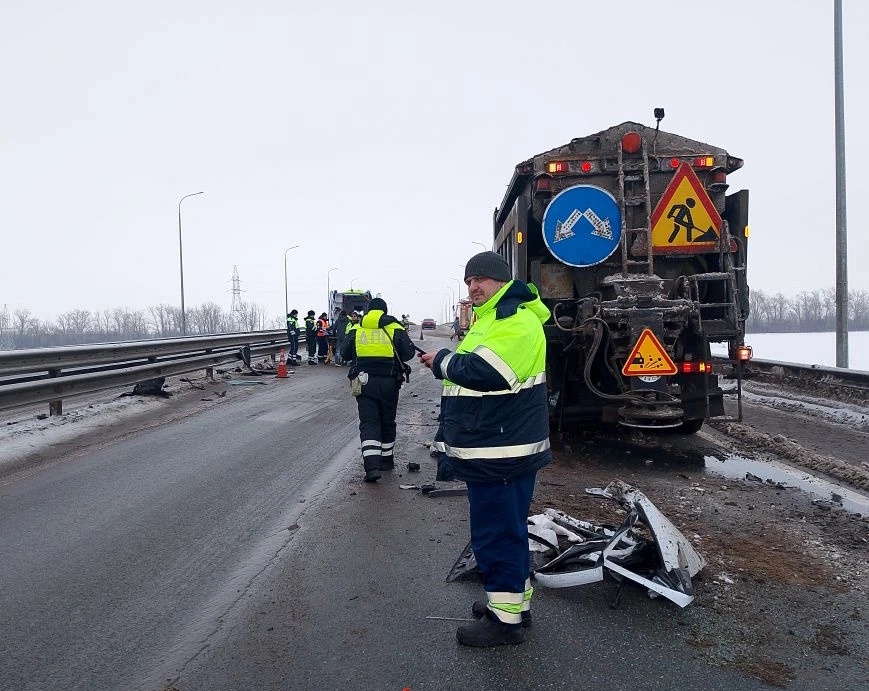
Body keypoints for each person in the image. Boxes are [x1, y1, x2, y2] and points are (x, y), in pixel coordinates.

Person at [419, 251, 551, 648]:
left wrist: (441, 361)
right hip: (501, 445)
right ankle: (514, 605)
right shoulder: (493, 319)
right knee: (507, 530)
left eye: (481, 279)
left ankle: (504, 624)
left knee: (495, 534)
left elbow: (486, 372)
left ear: (502, 281)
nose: (474, 287)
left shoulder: (515, 321)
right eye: (469, 281)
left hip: (501, 449)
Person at [341, 297, 415, 483]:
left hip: (364, 383)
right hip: (390, 383)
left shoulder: (357, 328)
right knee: (387, 421)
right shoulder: (395, 327)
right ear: (384, 311)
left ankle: (372, 468)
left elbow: (344, 353)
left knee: (369, 423)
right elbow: (409, 353)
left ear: (368, 311)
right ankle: (386, 461)